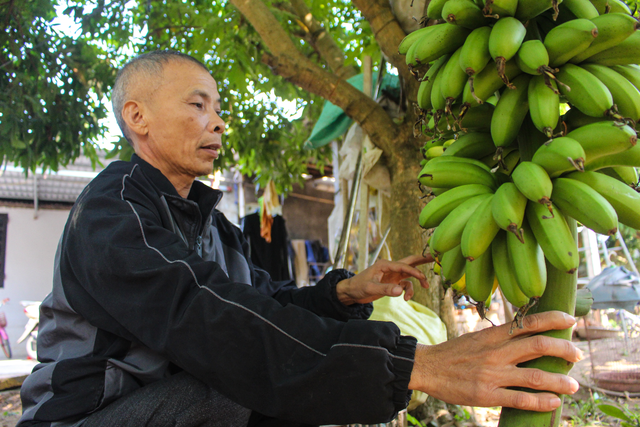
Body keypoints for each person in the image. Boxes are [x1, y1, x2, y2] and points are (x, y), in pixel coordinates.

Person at [18, 50, 582, 427]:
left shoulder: (211, 223)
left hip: (174, 403)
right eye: (197, 105)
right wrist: (417, 365)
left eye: (219, 109)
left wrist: (342, 294)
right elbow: (208, 319)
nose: (218, 123)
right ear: (137, 116)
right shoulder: (111, 211)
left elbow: (263, 301)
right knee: (247, 380)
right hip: (87, 415)